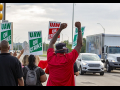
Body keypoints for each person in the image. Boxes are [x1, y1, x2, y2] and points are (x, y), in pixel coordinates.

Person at [46, 22, 82, 86]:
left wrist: (60, 29)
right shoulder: (70, 58)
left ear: (56, 50)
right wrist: (79, 28)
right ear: (65, 50)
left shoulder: (51, 57)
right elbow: (79, 45)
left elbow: (51, 43)